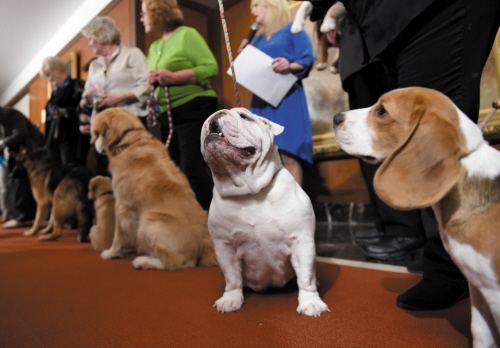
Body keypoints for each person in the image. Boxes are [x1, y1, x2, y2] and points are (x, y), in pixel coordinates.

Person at [320, 0, 500, 310]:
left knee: (439, 136)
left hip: (427, 9)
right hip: (383, 20)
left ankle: (454, 268)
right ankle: (447, 262)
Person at [141, 0, 218, 210]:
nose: (141, 18)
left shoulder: (187, 35)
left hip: (194, 108)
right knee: (174, 169)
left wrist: (173, 77)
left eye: (144, 13)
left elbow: (210, 68)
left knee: (191, 167)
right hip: (169, 114)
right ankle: (188, 220)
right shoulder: (155, 46)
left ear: (156, 13)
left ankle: (211, 221)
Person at [246, 0, 314, 187]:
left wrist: (290, 65)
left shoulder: (291, 30)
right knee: (264, 156)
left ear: (272, 5)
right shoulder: (256, 39)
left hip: (286, 100)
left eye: (257, 5)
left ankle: (296, 211)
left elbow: (307, 59)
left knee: (288, 154)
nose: (253, 11)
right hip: (261, 102)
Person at [81, 16, 149, 176]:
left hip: (129, 124)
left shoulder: (132, 54)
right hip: (102, 128)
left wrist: (121, 97)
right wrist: (89, 97)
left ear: (102, 35)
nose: (89, 43)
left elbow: (147, 86)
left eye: (91, 39)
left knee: (132, 174)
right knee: (103, 175)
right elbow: (86, 96)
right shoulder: (94, 65)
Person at [0, 107, 44, 229]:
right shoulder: (3, 119)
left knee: (20, 181)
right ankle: (23, 216)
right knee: (17, 182)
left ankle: (24, 217)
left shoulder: (12, 114)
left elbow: (21, 133)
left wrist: (3, 143)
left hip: (33, 152)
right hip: (21, 154)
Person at [40, 56, 85, 165]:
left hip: (73, 141)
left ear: (57, 69)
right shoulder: (54, 93)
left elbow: (83, 111)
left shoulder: (78, 85)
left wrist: (64, 111)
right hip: (55, 143)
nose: (49, 79)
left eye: (49, 74)